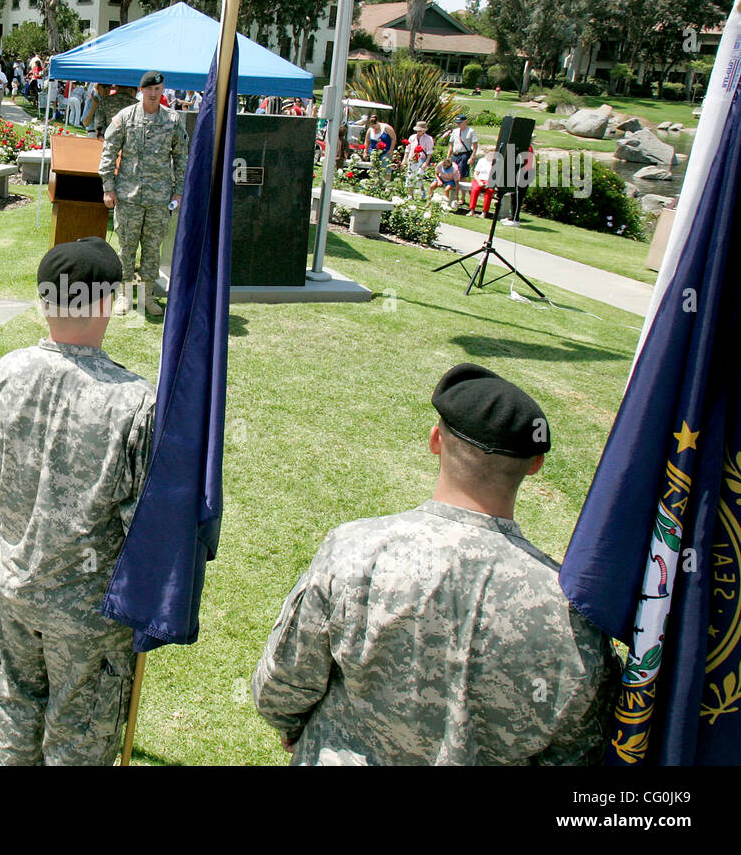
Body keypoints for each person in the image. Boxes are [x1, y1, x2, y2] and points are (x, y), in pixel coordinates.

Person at [252, 363, 621, 765]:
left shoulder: (357, 551)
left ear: (435, 440)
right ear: (535, 464)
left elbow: (280, 689)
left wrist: (294, 726)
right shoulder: (571, 609)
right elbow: (580, 748)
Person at [0, 237, 154, 764]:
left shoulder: (2, 375)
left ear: (45, 301)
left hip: (15, 587)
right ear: (111, 301)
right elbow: (148, 527)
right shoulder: (136, 403)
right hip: (90, 615)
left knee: (16, 705)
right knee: (79, 732)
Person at [99, 70, 189, 317]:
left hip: (159, 200)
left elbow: (182, 158)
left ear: (162, 91)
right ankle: (125, 296)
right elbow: (108, 152)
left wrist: (178, 192)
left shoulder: (172, 120)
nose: (153, 94)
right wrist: (108, 187)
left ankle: (147, 296)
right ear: (141, 91)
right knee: (126, 247)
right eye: (149, 89)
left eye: (158, 90)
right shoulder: (126, 117)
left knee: (151, 249)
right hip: (129, 197)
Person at [502, 144, 535, 227]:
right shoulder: (525, 145)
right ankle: (512, 217)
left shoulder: (527, 147)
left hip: (524, 173)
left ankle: (515, 219)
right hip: (521, 173)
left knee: (518, 196)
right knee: (514, 195)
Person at [443, 114, 478, 184]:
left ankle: (462, 194)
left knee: (462, 175)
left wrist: (472, 157)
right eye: (457, 123)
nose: (458, 124)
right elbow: (451, 145)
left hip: (464, 154)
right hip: (455, 154)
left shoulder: (471, 131)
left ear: (465, 122)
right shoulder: (455, 131)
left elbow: (475, 146)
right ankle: (454, 191)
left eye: (460, 123)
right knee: (452, 173)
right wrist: (448, 156)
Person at [402, 120, 434, 185]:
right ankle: (411, 194)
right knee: (409, 177)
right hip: (412, 158)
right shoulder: (412, 137)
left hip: (422, 159)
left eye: (420, 130)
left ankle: (421, 192)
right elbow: (407, 149)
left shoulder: (428, 139)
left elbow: (429, 152)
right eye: (417, 130)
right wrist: (404, 160)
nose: (418, 132)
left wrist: (426, 163)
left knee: (419, 177)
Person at [467, 150, 497, 218]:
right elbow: (475, 174)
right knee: (475, 189)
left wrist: (489, 183)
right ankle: (471, 210)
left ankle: (484, 212)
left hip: (489, 181)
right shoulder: (481, 161)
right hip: (479, 180)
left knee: (490, 191)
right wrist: (479, 182)